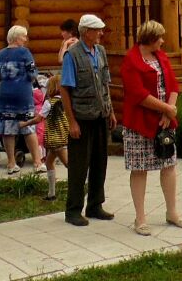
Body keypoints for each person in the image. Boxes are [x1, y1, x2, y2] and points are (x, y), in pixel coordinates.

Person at [120, 20, 182, 235]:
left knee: (168, 165)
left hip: (164, 123)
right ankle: (140, 218)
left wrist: (170, 109)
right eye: (159, 37)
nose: (162, 41)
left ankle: (172, 212)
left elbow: (173, 85)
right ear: (149, 38)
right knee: (139, 168)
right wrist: (166, 109)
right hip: (140, 123)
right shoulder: (131, 61)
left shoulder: (162, 57)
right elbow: (137, 94)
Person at [60, 13, 116, 226]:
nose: (101, 33)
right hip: (81, 117)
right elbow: (65, 89)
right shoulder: (72, 55)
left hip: (100, 114)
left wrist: (110, 110)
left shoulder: (100, 51)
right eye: (98, 30)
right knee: (78, 165)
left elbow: (105, 83)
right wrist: (72, 121)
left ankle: (95, 205)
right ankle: (73, 210)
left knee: (100, 161)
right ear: (86, 32)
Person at [0, 25, 44, 175]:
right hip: (23, 95)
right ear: (17, 38)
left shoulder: (0, 54)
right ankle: (37, 162)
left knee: (8, 130)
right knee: (28, 127)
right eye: (24, 36)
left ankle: (11, 163)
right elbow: (32, 74)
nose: (26, 39)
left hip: (5, 96)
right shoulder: (24, 53)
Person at [40, 70, 70, 201]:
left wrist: (24, 124)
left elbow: (39, 118)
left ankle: (77, 189)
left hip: (55, 139)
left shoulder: (49, 103)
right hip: (62, 136)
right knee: (49, 162)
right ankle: (51, 193)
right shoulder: (65, 101)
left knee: (69, 164)